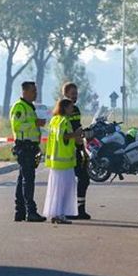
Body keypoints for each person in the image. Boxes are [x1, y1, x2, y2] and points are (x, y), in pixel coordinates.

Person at [10, 81, 46, 222]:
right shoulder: (20, 107)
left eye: (35, 91)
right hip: (24, 147)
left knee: (22, 180)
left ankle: (20, 211)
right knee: (28, 180)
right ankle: (30, 211)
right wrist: (35, 123)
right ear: (24, 91)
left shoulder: (29, 107)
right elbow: (17, 126)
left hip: (30, 147)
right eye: (33, 91)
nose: (35, 93)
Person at [43, 98, 83, 224]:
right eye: (71, 107)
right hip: (64, 161)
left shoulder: (54, 120)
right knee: (64, 189)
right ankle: (60, 214)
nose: (72, 109)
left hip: (56, 161)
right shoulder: (65, 121)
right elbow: (64, 136)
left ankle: (56, 213)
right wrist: (76, 134)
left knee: (55, 189)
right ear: (65, 108)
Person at [61, 82, 93, 220]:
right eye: (73, 93)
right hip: (68, 151)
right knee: (71, 181)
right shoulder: (62, 111)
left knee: (84, 179)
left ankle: (80, 209)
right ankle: (69, 209)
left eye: (76, 93)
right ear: (66, 94)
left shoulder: (76, 110)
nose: (75, 96)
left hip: (78, 148)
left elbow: (77, 127)